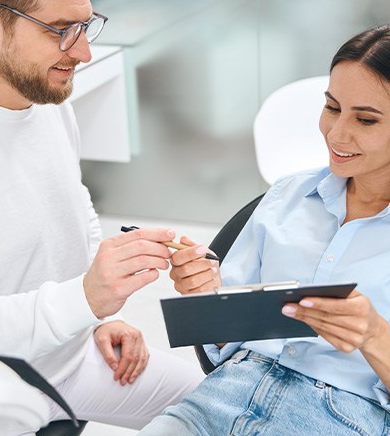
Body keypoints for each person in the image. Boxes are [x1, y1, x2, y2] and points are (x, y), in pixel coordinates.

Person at [0, 0, 204, 432]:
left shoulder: (45, 96)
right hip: (8, 375)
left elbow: (74, 203)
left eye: (86, 25)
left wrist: (99, 316)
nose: (82, 52)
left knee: (229, 411)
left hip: (74, 350)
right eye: (60, 31)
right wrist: (84, 300)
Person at [139, 25, 390, 435]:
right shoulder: (287, 196)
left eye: (365, 119)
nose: (337, 134)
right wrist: (204, 293)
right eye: (331, 107)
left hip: (341, 415)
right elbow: (222, 346)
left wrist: (375, 334)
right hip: (227, 393)